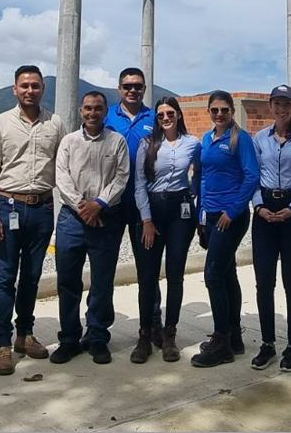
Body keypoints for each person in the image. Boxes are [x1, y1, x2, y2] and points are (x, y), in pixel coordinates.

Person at [0, 65, 68, 376]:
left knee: (32, 276)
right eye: (24, 86)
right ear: (14, 89)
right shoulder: (0, 123)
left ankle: (24, 335)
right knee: (6, 277)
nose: (30, 90)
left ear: (44, 89)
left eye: (35, 85)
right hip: (8, 206)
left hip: (42, 209)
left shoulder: (55, 124)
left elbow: (64, 166)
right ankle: (2, 343)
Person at [50, 91, 130, 365]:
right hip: (72, 219)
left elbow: (121, 177)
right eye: (88, 108)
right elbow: (61, 176)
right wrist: (83, 207)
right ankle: (69, 339)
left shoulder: (117, 141)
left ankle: (97, 337)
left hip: (106, 218)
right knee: (68, 281)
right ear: (80, 111)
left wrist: (99, 203)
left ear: (105, 111)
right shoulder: (68, 142)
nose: (92, 113)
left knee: (102, 280)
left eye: (98, 108)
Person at [249, 85, 291, 373]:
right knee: (264, 282)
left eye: (286, 104)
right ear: (270, 106)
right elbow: (251, 176)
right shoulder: (259, 139)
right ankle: (267, 344)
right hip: (264, 211)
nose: (281, 109)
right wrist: (258, 207)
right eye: (277, 103)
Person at [191, 90, 260, 368]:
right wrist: (200, 214)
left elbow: (252, 176)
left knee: (213, 275)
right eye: (214, 110)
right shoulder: (207, 139)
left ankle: (222, 343)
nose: (219, 114)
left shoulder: (240, 139)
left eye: (224, 110)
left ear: (232, 111)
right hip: (211, 215)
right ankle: (234, 337)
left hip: (231, 217)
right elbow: (203, 177)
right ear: (209, 112)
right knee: (227, 273)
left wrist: (233, 210)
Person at [131, 96, 201, 363]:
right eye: (160, 115)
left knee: (175, 274)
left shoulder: (193, 143)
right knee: (147, 276)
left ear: (179, 114)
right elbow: (139, 184)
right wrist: (146, 220)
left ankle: (170, 335)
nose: (165, 118)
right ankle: (145, 335)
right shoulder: (146, 144)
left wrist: (191, 195)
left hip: (180, 213)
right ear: (156, 118)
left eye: (170, 113)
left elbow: (201, 175)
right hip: (152, 212)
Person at [104, 67, 162, 350]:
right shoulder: (106, 116)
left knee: (148, 269)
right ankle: (97, 330)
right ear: (119, 89)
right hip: (111, 204)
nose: (133, 91)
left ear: (143, 89)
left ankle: (153, 326)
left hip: (144, 206)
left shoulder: (155, 118)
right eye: (127, 86)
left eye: (138, 86)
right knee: (105, 269)